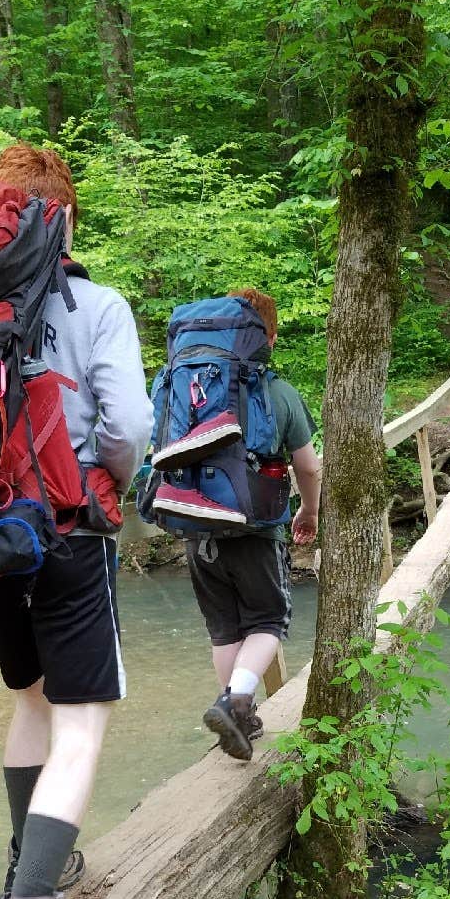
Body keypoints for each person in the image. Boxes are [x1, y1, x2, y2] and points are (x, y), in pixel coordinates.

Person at [0, 143, 153, 899]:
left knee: (29, 700)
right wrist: (111, 473)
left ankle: (20, 880)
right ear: (66, 218)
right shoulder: (98, 303)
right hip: (69, 532)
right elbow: (128, 423)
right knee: (82, 723)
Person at [189, 287, 322, 761]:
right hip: (256, 528)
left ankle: (236, 717)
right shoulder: (278, 392)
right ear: (271, 336)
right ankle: (235, 703)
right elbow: (308, 467)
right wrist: (309, 510)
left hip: (197, 523)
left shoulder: (192, 387)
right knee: (267, 619)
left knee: (225, 629)